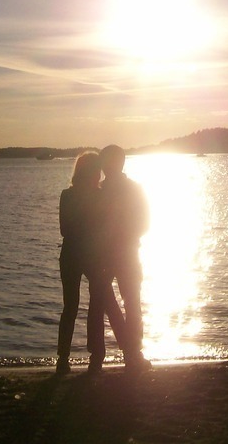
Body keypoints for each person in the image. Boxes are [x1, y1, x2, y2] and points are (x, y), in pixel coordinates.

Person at [56, 151, 125, 374]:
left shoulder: (68, 195)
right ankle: (98, 356)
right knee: (97, 304)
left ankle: (66, 359)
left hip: (74, 254)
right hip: (91, 255)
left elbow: (66, 229)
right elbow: (105, 228)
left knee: (74, 306)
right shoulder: (97, 195)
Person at [99, 144, 152, 372]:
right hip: (114, 254)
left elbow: (145, 222)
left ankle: (132, 352)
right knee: (120, 302)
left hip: (122, 252)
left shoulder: (121, 190)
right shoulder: (100, 190)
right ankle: (131, 350)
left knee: (129, 302)